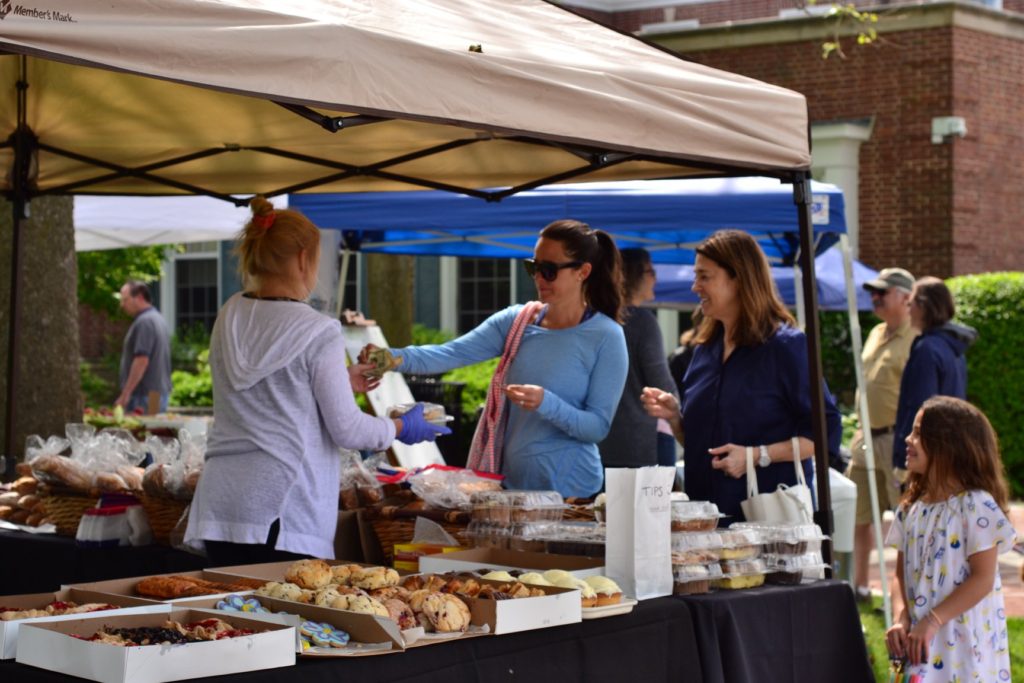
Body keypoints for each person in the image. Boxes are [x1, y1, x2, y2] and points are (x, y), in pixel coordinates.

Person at [185, 197, 448, 564]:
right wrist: (402, 426)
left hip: (222, 504)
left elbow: (263, 389)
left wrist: (339, 380)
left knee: (230, 602)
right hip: (283, 509)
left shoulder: (229, 314)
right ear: (303, 259)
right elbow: (348, 430)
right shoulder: (318, 329)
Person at [365, 219, 628, 498]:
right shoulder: (517, 321)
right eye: (533, 267)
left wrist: (546, 402)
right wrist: (388, 359)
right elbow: (451, 353)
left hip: (573, 493)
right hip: (510, 488)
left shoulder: (606, 336)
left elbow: (596, 428)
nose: (538, 278)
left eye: (549, 271)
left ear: (582, 272)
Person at [641, 230, 841, 522]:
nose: (695, 287)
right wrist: (675, 418)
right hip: (707, 525)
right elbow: (706, 447)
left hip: (768, 528)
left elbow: (823, 436)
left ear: (739, 279)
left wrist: (756, 456)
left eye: (704, 276)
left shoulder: (786, 347)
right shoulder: (704, 351)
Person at [884, 396, 1015, 681]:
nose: (907, 439)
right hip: (922, 641)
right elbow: (899, 575)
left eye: (918, 433)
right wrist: (901, 617)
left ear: (948, 445)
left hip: (963, 644)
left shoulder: (975, 506)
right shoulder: (910, 508)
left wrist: (932, 621)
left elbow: (982, 578)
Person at [847, 267, 918, 603]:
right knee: (859, 516)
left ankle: (902, 595)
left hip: (896, 439)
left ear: (906, 298)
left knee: (905, 520)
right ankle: (860, 587)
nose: (875, 297)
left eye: (883, 292)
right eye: (873, 292)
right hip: (865, 437)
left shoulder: (915, 336)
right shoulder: (876, 331)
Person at [598, 248, 676, 471]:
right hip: (642, 442)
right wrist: (679, 413)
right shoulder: (641, 320)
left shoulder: (597, 319)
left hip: (602, 442)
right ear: (633, 275)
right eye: (651, 271)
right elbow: (661, 384)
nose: (655, 279)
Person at [892, 277, 978, 473]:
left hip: (926, 457)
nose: (908, 310)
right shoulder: (953, 348)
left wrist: (903, 460)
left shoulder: (927, 349)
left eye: (911, 303)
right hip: (945, 452)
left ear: (924, 306)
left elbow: (921, 408)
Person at [114, 280, 172, 413]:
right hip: (156, 394)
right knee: (154, 426)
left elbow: (141, 360)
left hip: (143, 396)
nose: (122, 305)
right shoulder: (158, 318)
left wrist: (125, 394)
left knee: (143, 427)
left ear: (139, 297)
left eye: (125, 300)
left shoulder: (145, 322)